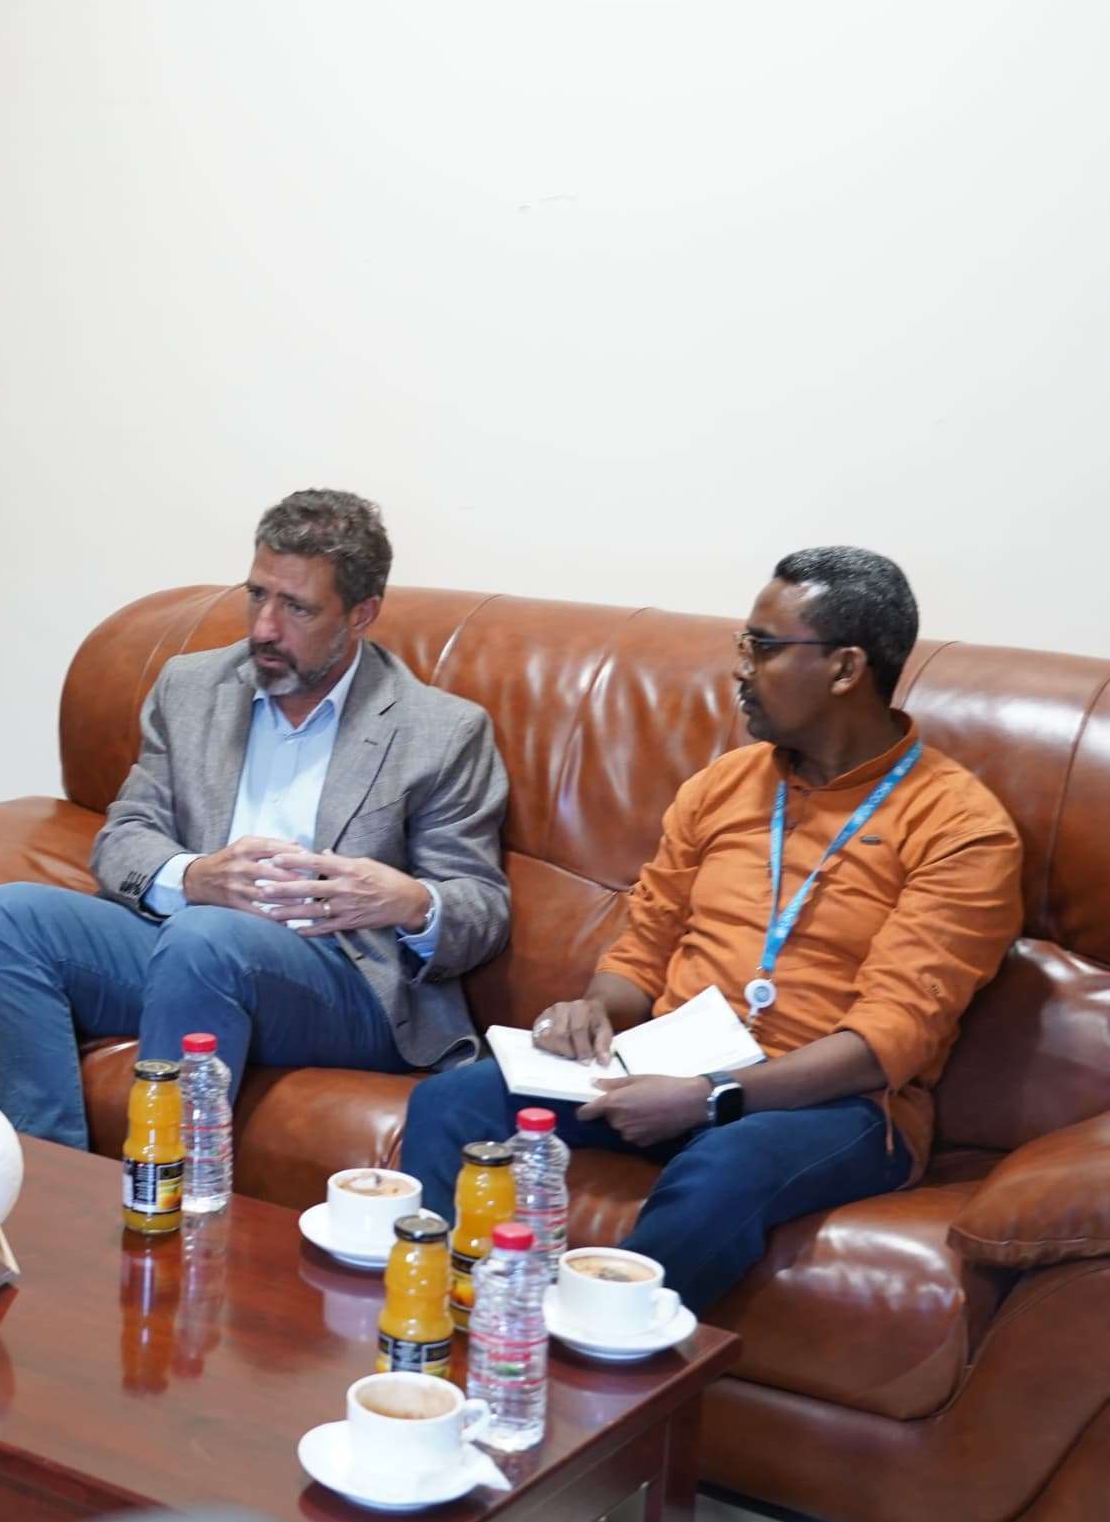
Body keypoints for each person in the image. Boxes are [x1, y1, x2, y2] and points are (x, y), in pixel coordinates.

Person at [398, 547, 1022, 1311]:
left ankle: (585, 1364)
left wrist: (708, 1098)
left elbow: (887, 1041)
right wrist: (598, 1008)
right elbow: (644, 947)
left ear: (845, 667)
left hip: (836, 1106)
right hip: (672, 1061)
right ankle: (438, 1321)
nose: (740, 669)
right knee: (454, 1103)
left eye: (763, 647)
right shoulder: (724, 785)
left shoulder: (961, 829)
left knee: (724, 1166)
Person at [0, 489, 511, 1148]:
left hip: (343, 980)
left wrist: (411, 902)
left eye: (297, 608)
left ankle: (162, 1189)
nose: (264, 629)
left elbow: (481, 909)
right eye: (257, 595)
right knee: (4, 919)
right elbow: (124, 837)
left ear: (361, 614)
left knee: (207, 939)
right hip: (190, 949)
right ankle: (49, 1184)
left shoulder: (440, 731)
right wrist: (196, 877)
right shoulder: (191, 688)